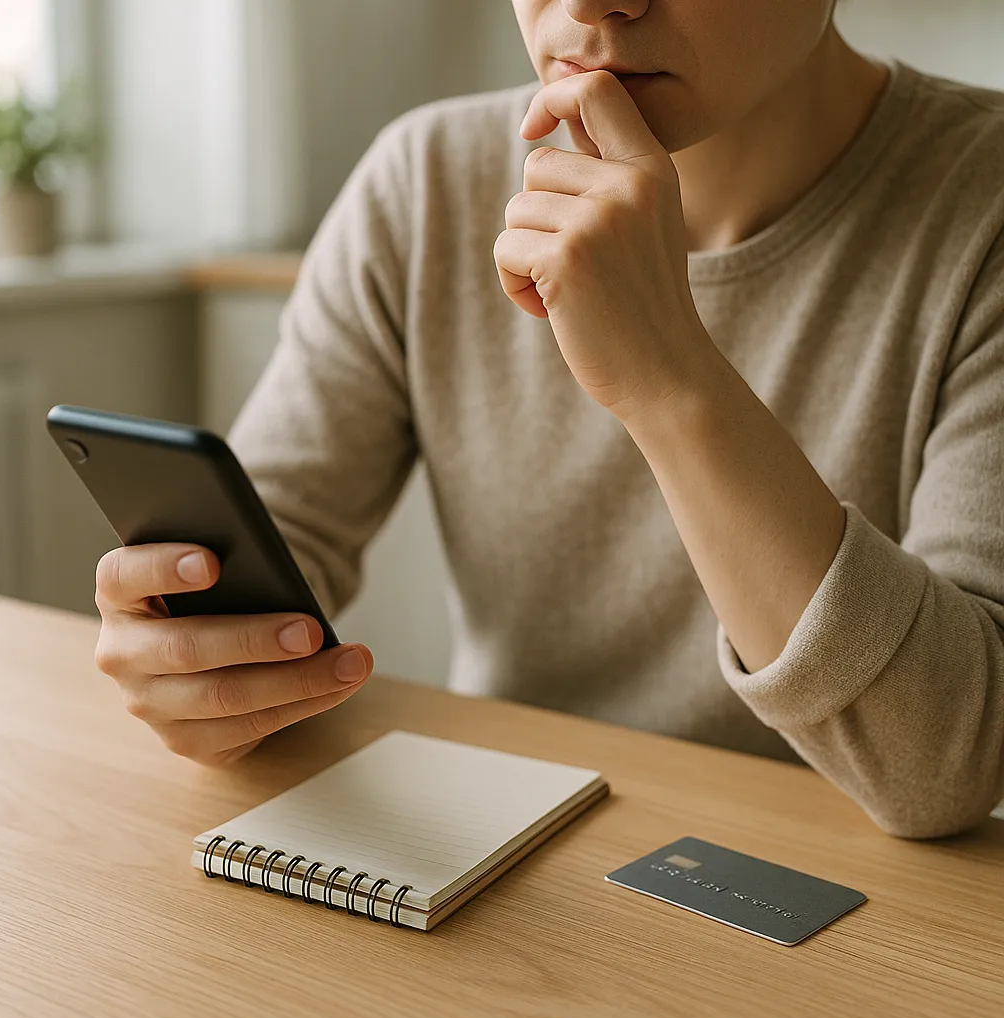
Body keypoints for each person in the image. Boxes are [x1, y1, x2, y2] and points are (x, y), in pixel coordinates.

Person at [92, 1, 1004, 839]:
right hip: (508, 857)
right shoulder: (425, 181)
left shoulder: (982, 208)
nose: (591, 1)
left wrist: (668, 377)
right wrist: (197, 654)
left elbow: (944, 769)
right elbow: (273, 550)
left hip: (843, 908)